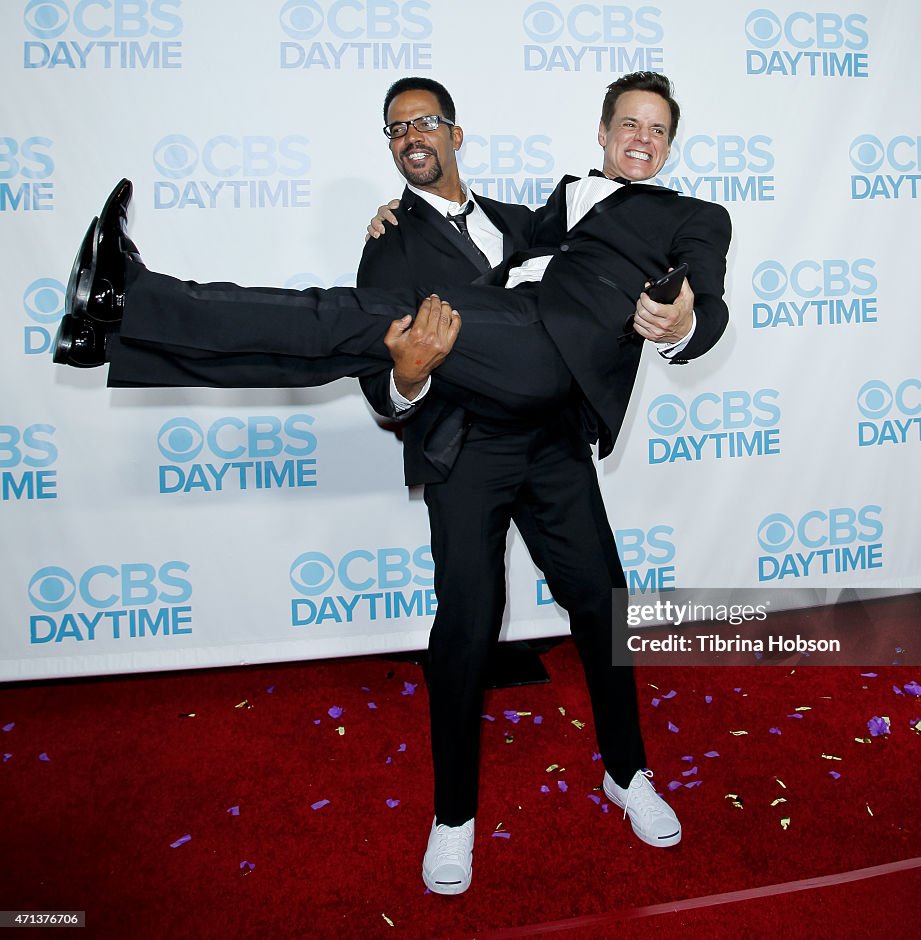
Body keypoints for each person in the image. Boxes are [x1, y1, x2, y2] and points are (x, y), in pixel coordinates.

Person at [52, 71, 731, 896]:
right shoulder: (421, 232)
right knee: (465, 619)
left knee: (607, 604)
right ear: (600, 131)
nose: (639, 138)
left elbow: (705, 299)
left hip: (551, 431)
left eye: (654, 130)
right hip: (469, 445)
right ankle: (454, 817)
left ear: (456, 132)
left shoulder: (624, 216)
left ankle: (628, 772)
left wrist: (687, 318)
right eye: (627, 122)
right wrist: (407, 371)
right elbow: (383, 389)